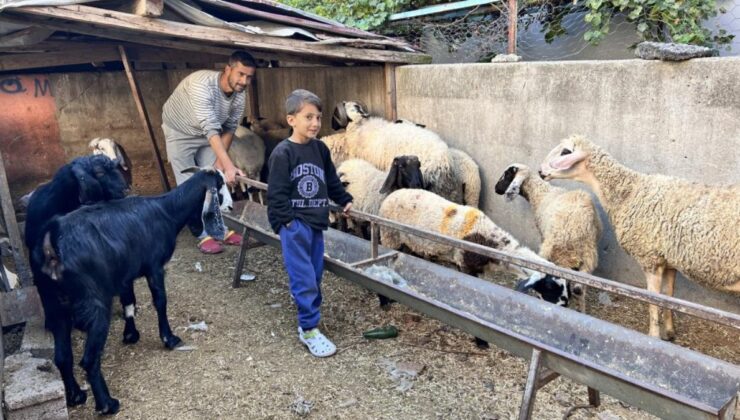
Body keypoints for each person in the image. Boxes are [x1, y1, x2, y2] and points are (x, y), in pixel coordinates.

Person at [267, 89, 353, 358]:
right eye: (308, 117)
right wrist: (288, 223)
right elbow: (276, 193)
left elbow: (330, 179)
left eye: (318, 117)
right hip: (295, 226)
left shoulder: (320, 149)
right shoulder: (283, 154)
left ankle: (304, 302)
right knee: (304, 278)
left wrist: (343, 199)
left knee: (314, 274)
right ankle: (309, 329)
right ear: (291, 120)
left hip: (316, 222)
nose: (315, 123)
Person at [162, 50, 255, 254]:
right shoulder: (202, 85)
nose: (244, 81)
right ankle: (202, 234)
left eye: (249, 76)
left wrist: (221, 165)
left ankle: (220, 228)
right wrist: (230, 166)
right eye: (240, 74)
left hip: (208, 134)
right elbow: (210, 127)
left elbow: (230, 127)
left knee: (214, 180)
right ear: (227, 69)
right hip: (180, 131)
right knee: (189, 183)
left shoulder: (240, 94)